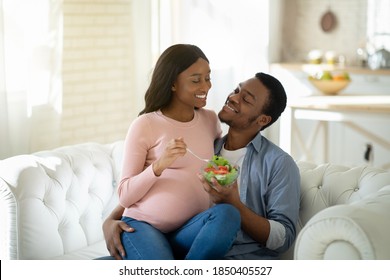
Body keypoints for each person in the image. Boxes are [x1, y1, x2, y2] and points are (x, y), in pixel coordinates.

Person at [102, 72, 300, 260]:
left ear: (262, 120)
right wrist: (112, 218)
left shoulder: (278, 163)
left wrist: (235, 203)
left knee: (227, 214)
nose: (233, 97)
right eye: (237, 90)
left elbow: (283, 239)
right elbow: (161, 185)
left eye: (246, 100)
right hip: (179, 244)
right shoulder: (207, 147)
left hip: (233, 257)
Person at [112, 43, 240, 260]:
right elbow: (125, 195)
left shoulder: (209, 120)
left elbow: (214, 166)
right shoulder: (146, 124)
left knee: (228, 214)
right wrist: (159, 165)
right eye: (195, 80)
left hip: (189, 229)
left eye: (208, 78)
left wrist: (226, 175)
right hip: (143, 227)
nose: (206, 86)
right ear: (172, 83)